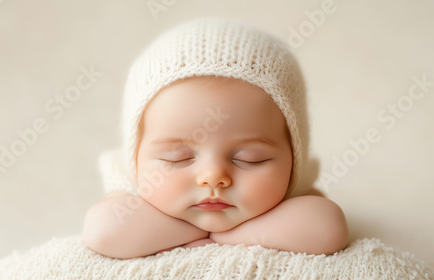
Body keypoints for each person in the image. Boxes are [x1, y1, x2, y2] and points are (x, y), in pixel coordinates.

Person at [82, 17, 348, 259]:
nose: (212, 176)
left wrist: (224, 235)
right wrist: (199, 231)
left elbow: (327, 227)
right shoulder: (129, 188)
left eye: (250, 159)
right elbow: (103, 231)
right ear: (136, 157)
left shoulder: (295, 189)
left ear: (293, 156)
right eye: (179, 158)